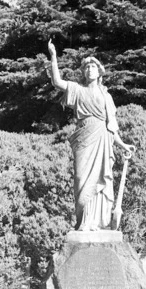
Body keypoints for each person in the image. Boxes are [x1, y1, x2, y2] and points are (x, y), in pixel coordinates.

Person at [46, 39, 135, 231]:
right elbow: (57, 82)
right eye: (86, 67)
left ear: (99, 71)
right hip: (84, 139)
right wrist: (53, 57)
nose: (90, 70)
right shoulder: (78, 90)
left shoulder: (106, 96)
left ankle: (96, 223)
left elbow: (112, 126)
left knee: (100, 180)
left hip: (102, 138)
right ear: (84, 72)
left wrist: (123, 145)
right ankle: (84, 221)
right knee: (81, 179)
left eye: (93, 67)